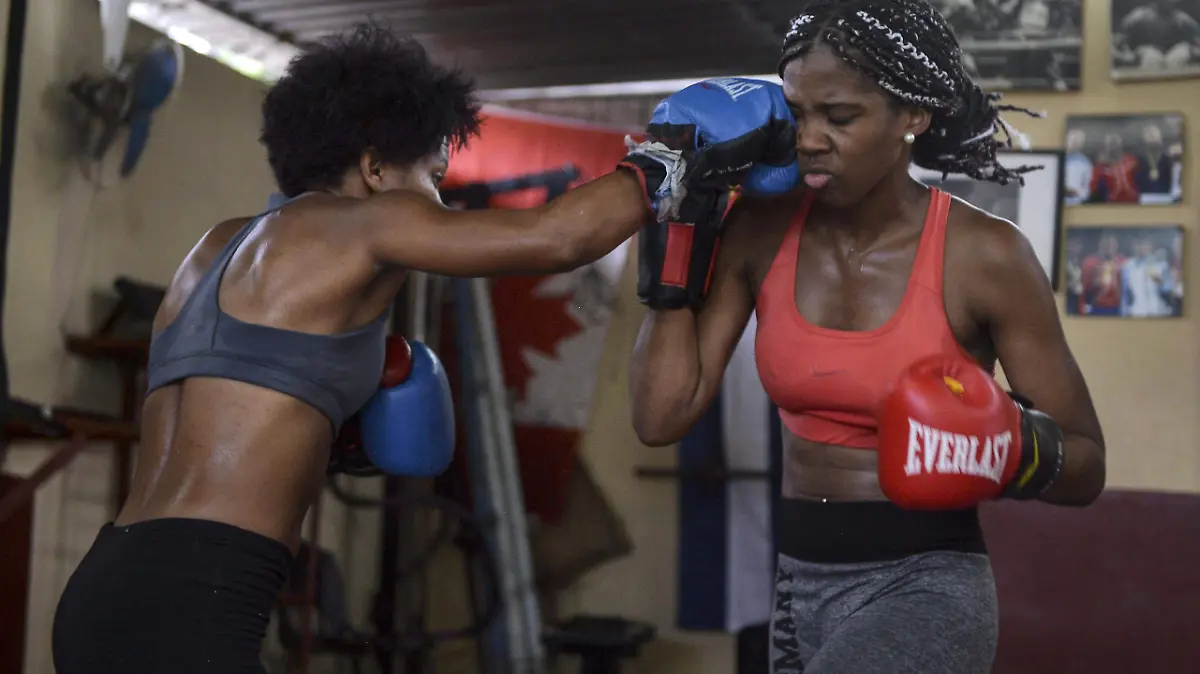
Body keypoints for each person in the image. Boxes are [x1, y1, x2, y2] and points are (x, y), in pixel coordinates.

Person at [49, 23, 798, 674]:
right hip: (203, 596)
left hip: (104, 581)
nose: (438, 204)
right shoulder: (363, 225)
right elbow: (557, 238)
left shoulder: (213, 250)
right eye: (434, 178)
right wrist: (674, 154)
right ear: (375, 168)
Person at [629, 1, 1105, 673]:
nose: (809, 139)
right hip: (797, 582)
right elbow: (660, 417)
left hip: (925, 585)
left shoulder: (986, 256)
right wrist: (674, 253)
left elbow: (1086, 465)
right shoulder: (759, 228)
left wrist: (1013, 448)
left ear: (913, 116)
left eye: (840, 117)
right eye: (798, 114)